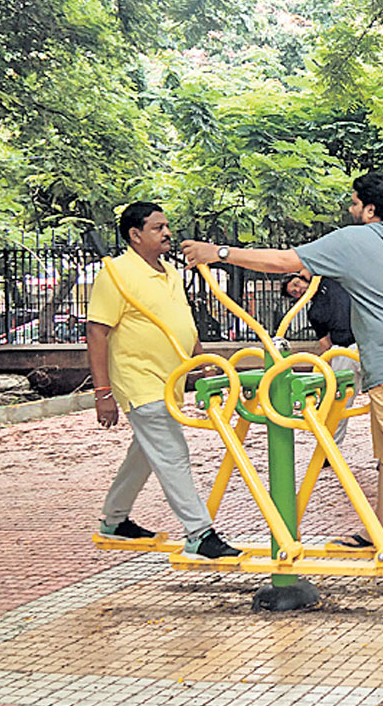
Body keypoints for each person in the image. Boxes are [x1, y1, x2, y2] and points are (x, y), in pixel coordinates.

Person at [182, 173, 383, 566]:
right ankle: (377, 529)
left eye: (353, 203)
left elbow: (285, 262)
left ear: (369, 209)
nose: (350, 210)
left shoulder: (352, 240)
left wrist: (220, 253)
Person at [87, 202, 242, 560]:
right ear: (135, 235)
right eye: (158, 228)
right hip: (139, 380)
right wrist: (102, 393)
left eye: (167, 226)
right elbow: (97, 333)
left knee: (144, 452)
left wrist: (202, 366)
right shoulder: (116, 274)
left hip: (169, 381)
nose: (167, 233)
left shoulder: (170, 272)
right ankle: (199, 533)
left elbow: (183, 323)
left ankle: (114, 519)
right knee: (172, 454)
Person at [282, 273, 360, 445]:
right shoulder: (314, 312)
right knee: (339, 402)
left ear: (302, 278)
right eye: (294, 292)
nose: (298, 290)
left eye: (296, 284)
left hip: (367, 342)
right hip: (343, 349)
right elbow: (325, 342)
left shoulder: (328, 280)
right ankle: (330, 448)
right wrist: (326, 367)